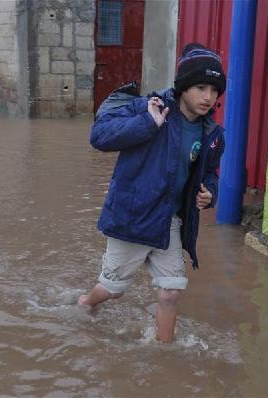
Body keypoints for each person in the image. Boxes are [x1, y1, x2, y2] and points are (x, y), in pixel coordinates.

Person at [79, 43, 226, 343]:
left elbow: (210, 173)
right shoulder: (151, 107)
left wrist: (210, 192)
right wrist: (147, 123)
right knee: (113, 291)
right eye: (200, 87)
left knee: (171, 292)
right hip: (133, 218)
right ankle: (85, 303)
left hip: (170, 223)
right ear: (183, 86)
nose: (208, 97)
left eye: (214, 89)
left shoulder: (212, 134)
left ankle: (164, 354)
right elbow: (100, 136)